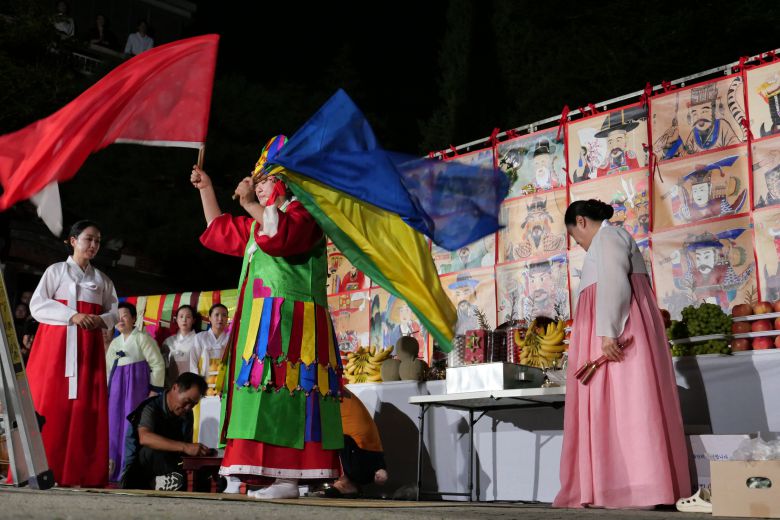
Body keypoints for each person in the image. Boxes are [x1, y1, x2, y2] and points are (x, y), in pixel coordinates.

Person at [190, 135, 343, 499]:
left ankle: (289, 478)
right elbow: (220, 230)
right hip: (261, 328)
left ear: (286, 181)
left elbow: (282, 236)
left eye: (266, 180)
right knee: (259, 395)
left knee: (288, 395)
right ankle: (257, 474)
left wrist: (246, 202)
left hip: (293, 326)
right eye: (256, 182)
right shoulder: (259, 225)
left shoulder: (306, 214)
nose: (258, 188)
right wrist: (207, 189)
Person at [554, 200, 690, 509]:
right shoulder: (608, 239)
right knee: (619, 402)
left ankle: (634, 486)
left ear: (582, 221)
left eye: (577, 238)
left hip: (619, 328)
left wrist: (608, 331)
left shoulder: (609, 237)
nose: (580, 245)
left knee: (627, 401)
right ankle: (616, 485)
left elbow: (615, 282)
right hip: (613, 324)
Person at [27, 220, 119, 487]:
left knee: (84, 409)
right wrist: (73, 315)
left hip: (87, 350)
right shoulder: (56, 271)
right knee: (50, 404)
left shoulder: (101, 279)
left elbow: (113, 310)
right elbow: (38, 305)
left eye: (98, 241)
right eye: (89, 239)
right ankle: (41, 469)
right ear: (73, 240)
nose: (93, 245)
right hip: (55, 348)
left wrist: (99, 320)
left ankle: (80, 473)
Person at [106, 302, 165, 482]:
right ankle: (113, 471)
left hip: (136, 389)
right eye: (118, 316)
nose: (121, 319)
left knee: (132, 428)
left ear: (133, 318)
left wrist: (154, 391)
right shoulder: (115, 343)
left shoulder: (142, 338)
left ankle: (130, 472)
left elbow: (157, 364)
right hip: (116, 392)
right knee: (114, 427)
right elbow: (108, 370)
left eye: (125, 315)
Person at [120, 372, 210, 491]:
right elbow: (145, 437)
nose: (188, 407)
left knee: (210, 478)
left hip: (170, 468)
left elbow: (184, 453)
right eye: (187, 401)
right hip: (140, 470)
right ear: (175, 388)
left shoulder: (187, 414)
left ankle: (164, 482)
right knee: (151, 449)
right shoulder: (150, 407)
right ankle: (153, 483)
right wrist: (185, 447)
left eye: (193, 404)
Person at [321, 388, 388, 498]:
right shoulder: (335, 387)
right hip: (372, 457)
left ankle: (345, 483)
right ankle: (346, 480)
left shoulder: (322, 389)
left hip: (358, 458)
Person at [189, 303, 230, 394]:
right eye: (216, 315)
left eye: (224, 315)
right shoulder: (200, 337)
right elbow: (193, 362)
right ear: (210, 318)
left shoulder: (230, 339)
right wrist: (197, 383)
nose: (220, 318)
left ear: (227, 319)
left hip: (223, 385)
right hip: (203, 384)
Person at [161, 305, 199, 388]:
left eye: (188, 317)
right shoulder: (168, 342)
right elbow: (163, 367)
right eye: (181, 316)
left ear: (194, 320)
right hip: (172, 387)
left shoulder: (199, 340)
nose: (184, 320)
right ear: (176, 319)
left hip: (192, 386)